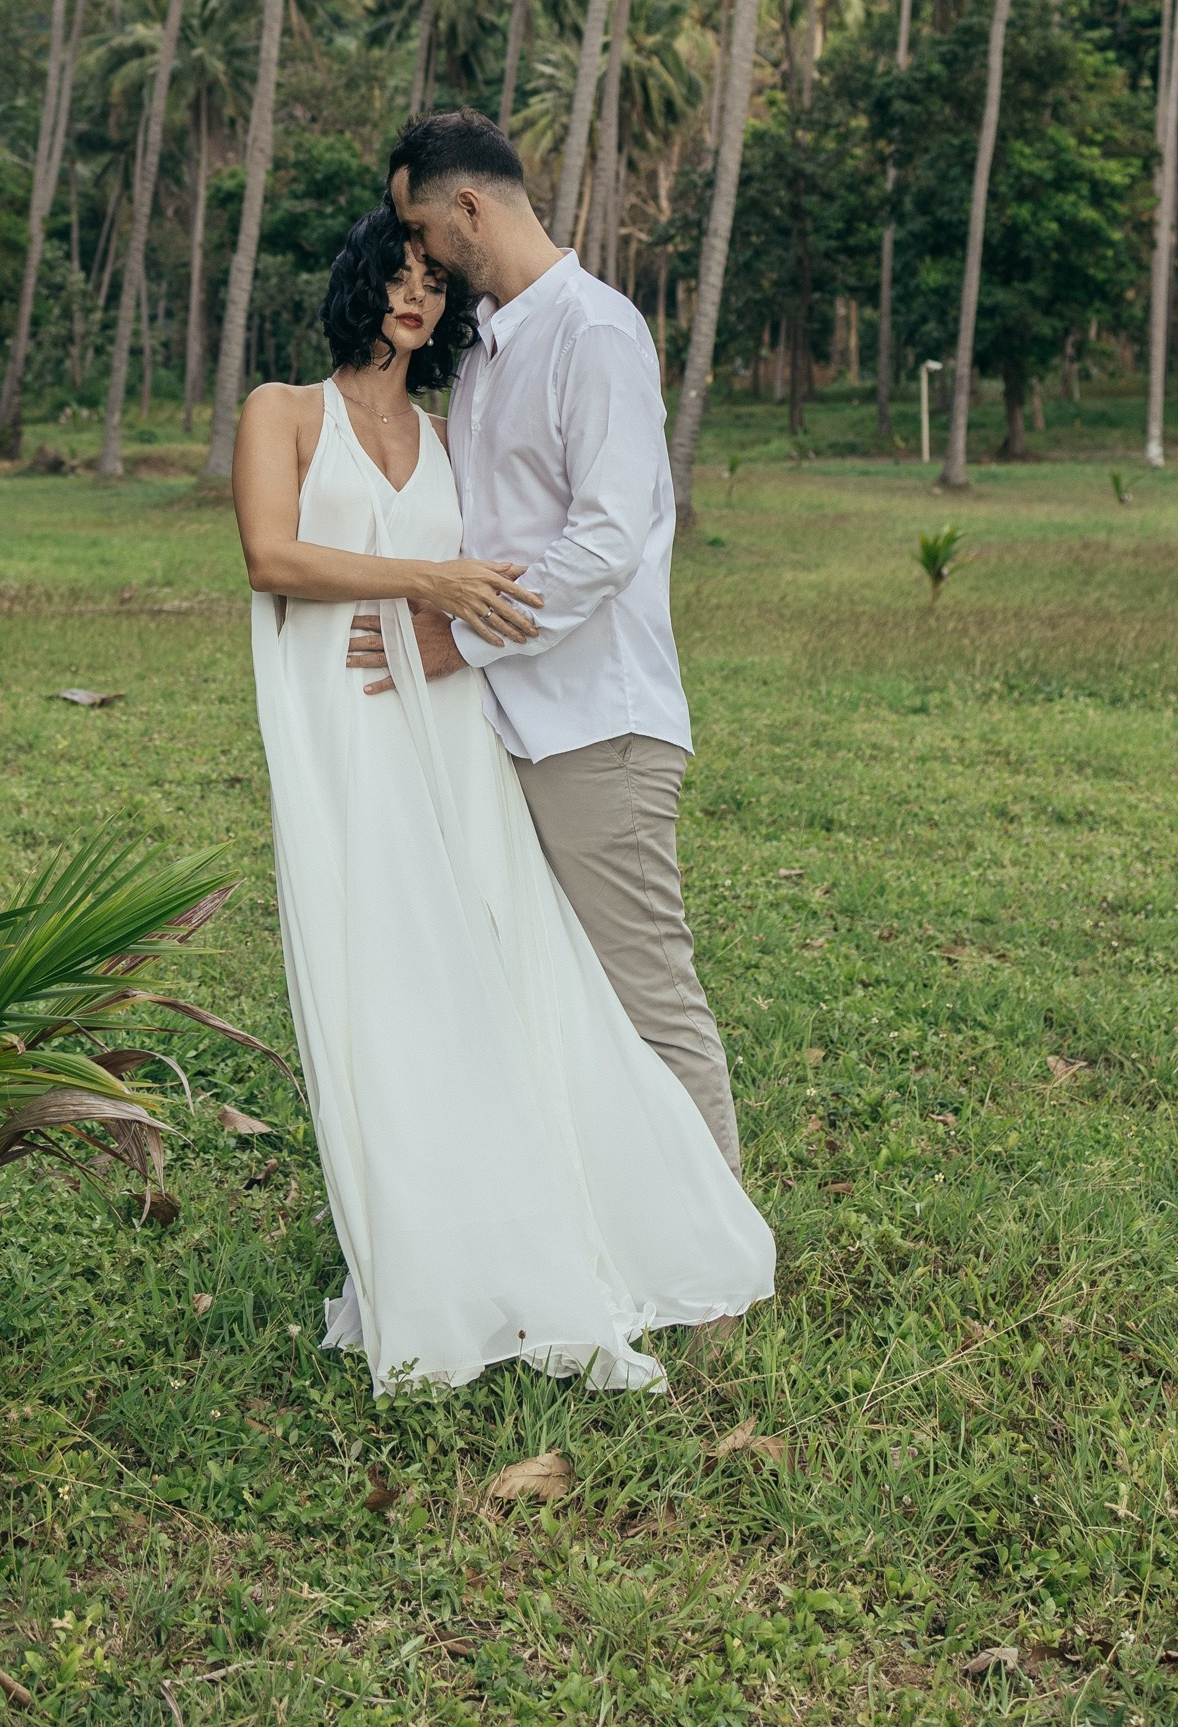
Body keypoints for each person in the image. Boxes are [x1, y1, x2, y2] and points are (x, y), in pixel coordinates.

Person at [233, 201, 773, 1397]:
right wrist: (431, 579)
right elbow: (272, 558)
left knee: (506, 981)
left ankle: (615, 1231)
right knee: (377, 990)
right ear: (357, 282)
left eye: (433, 281)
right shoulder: (279, 413)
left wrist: (452, 616)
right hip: (340, 739)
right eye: (396, 273)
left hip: (458, 736)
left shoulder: (448, 430)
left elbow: (568, 546)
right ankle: (420, 1261)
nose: (413, 297)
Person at [349, 110, 743, 1172]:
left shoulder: (593, 332)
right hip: (509, 727)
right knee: (550, 993)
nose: (417, 257)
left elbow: (606, 538)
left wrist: (457, 641)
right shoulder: (486, 353)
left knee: (645, 995)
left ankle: (715, 1279)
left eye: (422, 231)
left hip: (594, 726)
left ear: (468, 209)